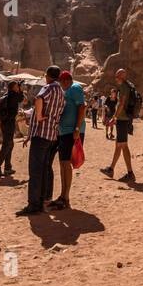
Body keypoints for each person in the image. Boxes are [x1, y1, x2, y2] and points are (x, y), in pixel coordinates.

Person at [17, 67, 64, 216]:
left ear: (48, 76)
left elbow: (38, 99)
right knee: (44, 170)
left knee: (35, 171)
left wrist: (38, 116)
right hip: (52, 136)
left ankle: (33, 205)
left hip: (41, 135)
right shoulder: (62, 92)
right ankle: (41, 201)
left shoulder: (48, 88)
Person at [52, 71, 86, 211]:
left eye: (62, 81)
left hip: (72, 132)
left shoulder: (75, 88)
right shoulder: (65, 91)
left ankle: (65, 196)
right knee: (62, 163)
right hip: (63, 132)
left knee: (66, 164)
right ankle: (63, 196)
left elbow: (82, 107)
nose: (61, 83)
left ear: (67, 80)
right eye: (60, 81)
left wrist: (77, 128)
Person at [100, 69, 136, 182]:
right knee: (120, 145)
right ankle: (112, 169)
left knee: (122, 145)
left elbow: (121, 103)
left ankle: (128, 173)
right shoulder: (128, 85)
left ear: (121, 77)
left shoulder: (124, 87)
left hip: (122, 119)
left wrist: (114, 117)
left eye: (117, 76)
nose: (116, 78)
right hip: (124, 119)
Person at [0, 79, 22, 178]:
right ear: (14, 87)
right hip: (9, 123)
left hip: (5, 122)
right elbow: (22, 98)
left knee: (10, 144)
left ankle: (7, 168)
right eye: (17, 86)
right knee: (7, 145)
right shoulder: (13, 95)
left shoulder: (7, 95)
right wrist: (20, 89)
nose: (18, 88)